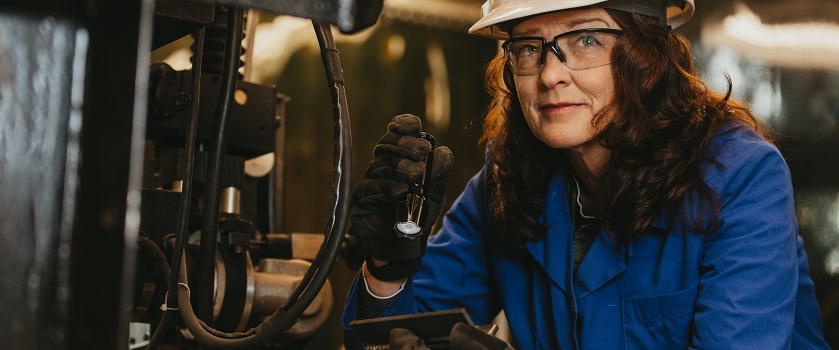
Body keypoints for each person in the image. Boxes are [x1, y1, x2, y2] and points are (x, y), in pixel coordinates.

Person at [342, 0, 831, 349]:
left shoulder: (742, 178)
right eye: (529, 47)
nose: (551, 75)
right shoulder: (507, 179)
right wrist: (386, 270)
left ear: (648, 55)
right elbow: (395, 337)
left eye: (587, 39)